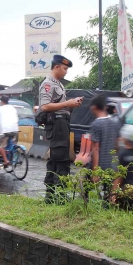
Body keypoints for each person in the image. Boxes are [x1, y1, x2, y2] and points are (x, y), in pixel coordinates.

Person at [38, 55, 82, 203]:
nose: (66, 72)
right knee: (62, 161)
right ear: (56, 67)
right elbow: (45, 106)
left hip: (62, 124)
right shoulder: (48, 84)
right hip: (57, 125)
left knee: (55, 160)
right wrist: (67, 103)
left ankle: (50, 196)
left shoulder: (59, 84)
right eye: (64, 68)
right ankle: (61, 197)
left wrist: (71, 104)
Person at [90, 94, 119, 173]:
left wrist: (95, 171)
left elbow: (95, 149)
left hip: (100, 167)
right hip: (112, 166)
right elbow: (117, 145)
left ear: (94, 107)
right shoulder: (115, 122)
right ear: (105, 107)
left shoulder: (96, 124)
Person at [0, 95, 18, 166]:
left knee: (1, 146)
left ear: (1, 101)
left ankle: (6, 160)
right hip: (15, 129)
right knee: (12, 143)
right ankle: (12, 157)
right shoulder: (13, 108)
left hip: (5, 130)